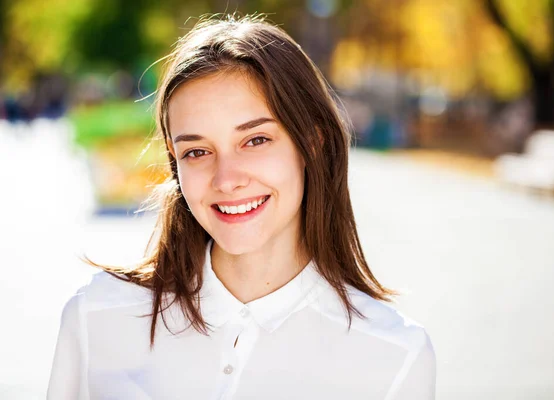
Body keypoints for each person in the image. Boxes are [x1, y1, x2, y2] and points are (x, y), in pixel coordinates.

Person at [47, 15, 436, 399]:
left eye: (255, 140)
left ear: (312, 143)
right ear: (174, 162)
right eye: (197, 151)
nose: (226, 179)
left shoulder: (394, 358)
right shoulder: (96, 318)